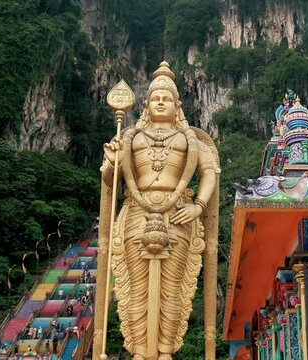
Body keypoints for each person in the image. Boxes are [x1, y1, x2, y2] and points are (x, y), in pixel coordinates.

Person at [94, 62, 220, 360]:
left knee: (172, 289)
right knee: (137, 288)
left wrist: (198, 206)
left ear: (177, 106)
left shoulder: (189, 139)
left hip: (178, 213)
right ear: (147, 105)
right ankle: (139, 351)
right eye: (155, 98)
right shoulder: (130, 138)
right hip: (137, 211)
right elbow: (111, 180)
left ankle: (165, 352)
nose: (160, 102)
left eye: (166, 98)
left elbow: (210, 172)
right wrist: (112, 163)